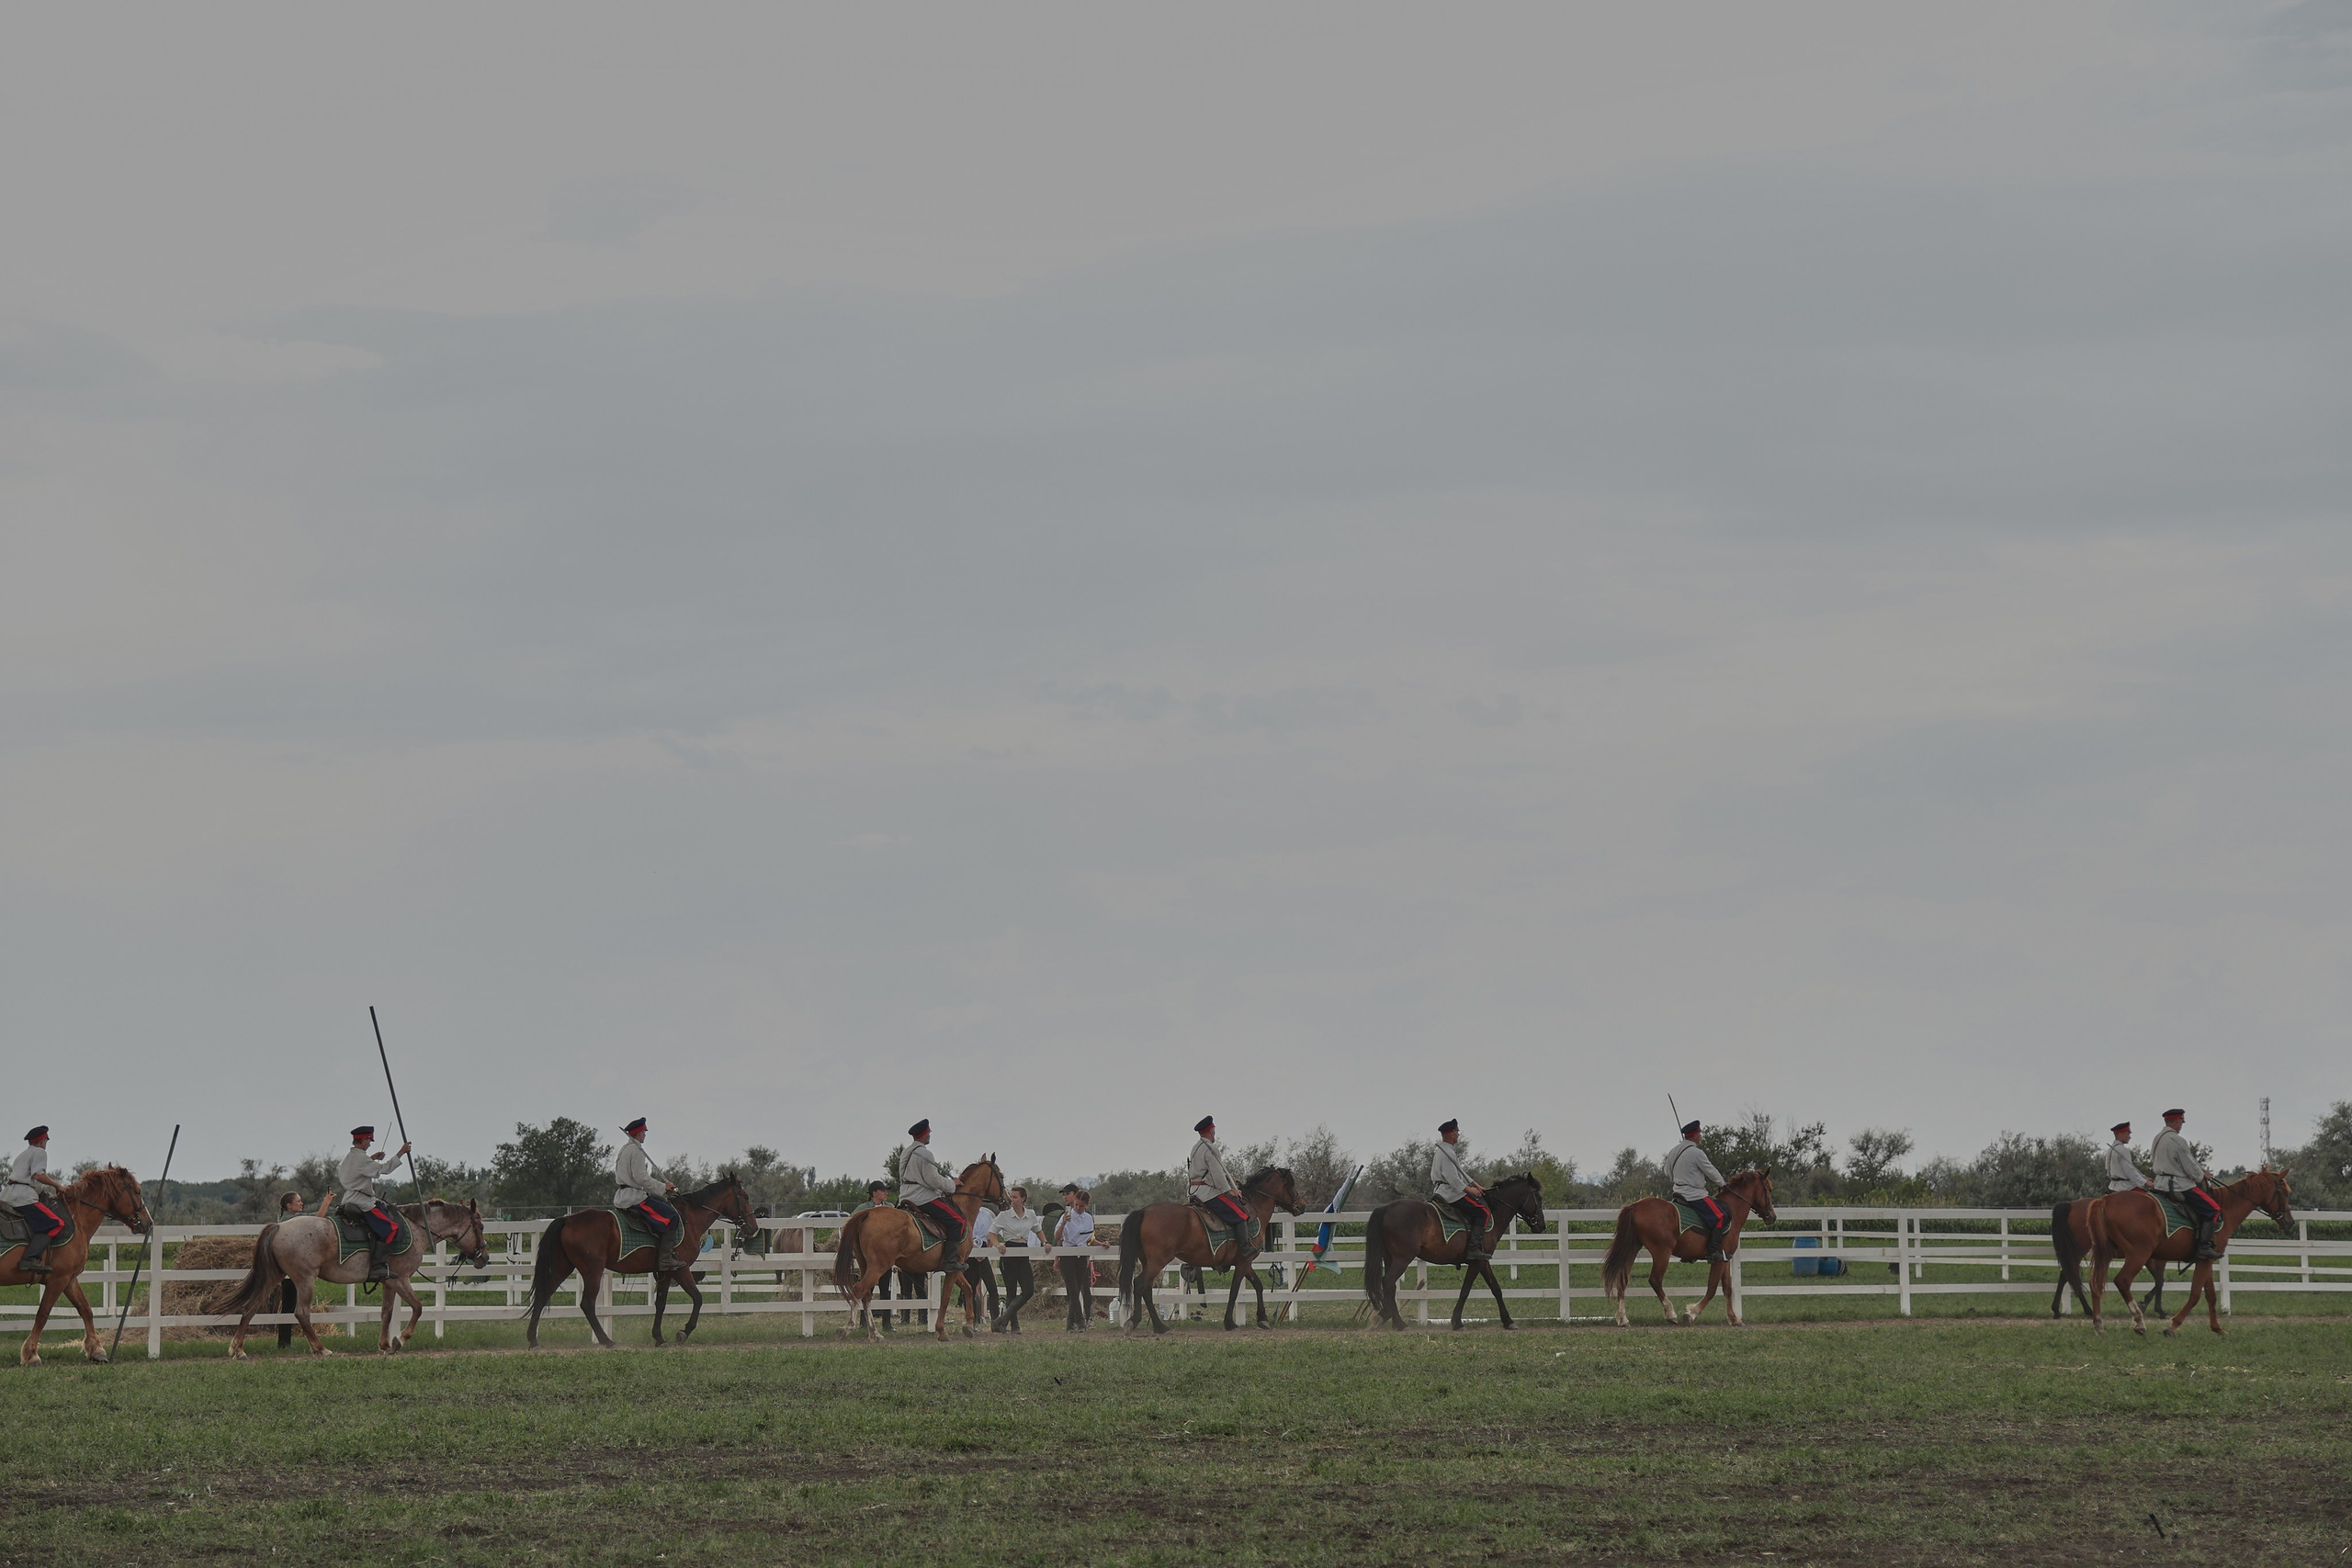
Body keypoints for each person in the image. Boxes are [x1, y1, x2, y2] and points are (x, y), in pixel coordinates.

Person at [337, 1125, 412, 1283]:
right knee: (391, 1228)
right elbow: (385, 1169)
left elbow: (356, 1171)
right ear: (363, 1139)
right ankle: (377, 1266)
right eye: (369, 1140)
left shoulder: (349, 1158)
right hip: (362, 1201)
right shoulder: (362, 1159)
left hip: (349, 1197)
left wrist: (372, 1158)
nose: (370, 1143)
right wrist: (401, 1152)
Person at [897, 1120, 967, 1275]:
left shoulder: (906, 1152)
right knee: (958, 1221)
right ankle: (950, 1262)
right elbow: (932, 1180)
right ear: (923, 1135)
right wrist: (952, 1185)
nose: (929, 1135)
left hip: (905, 1196)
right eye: (928, 1133)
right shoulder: (926, 1153)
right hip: (923, 1197)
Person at [1185, 1115, 1257, 1266]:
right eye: (1214, 1130)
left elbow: (1208, 1173)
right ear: (1211, 1131)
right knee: (1241, 1213)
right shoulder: (1211, 1149)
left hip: (1193, 1191)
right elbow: (1217, 1176)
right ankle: (1244, 1249)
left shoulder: (1196, 1147)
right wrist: (1230, 1190)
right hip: (1207, 1193)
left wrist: (1230, 1179)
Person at [615, 1117, 683, 1273]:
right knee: (671, 1215)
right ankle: (665, 1260)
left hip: (622, 1195)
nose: (645, 1135)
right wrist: (664, 1187)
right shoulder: (637, 1150)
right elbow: (641, 1178)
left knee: (660, 1202)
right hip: (634, 1197)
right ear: (639, 1133)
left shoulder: (624, 1149)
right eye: (644, 1132)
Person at [2152, 1108, 2222, 1261]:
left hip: (2160, 1183)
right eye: (2180, 1122)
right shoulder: (2178, 1140)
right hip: (2178, 1184)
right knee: (2213, 1208)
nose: (2181, 1125)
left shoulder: (2157, 1139)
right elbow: (2190, 1167)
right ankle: (2204, 1246)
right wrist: (2203, 1175)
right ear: (2176, 1121)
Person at [4, 1126, 69, 1276]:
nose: (46, 1144)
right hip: (23, 1197)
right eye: (46, 1140)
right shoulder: (40, 1152)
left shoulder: (22, 1155)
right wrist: (58, 1185)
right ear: (42, 1140)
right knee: (56, 1223)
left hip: (8, 1195)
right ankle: (29, 1258)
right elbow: (38, 1175)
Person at [1664, 1120, 1729, 1263]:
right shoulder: (1696, 1153)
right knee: (1720, 1216)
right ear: (1694, 1135)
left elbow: (1667, 1172)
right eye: (1699, 1133)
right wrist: (1722, 1184)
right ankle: (1712, 1253)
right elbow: (1710, 1171)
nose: (1701, 1136)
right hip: (1694, 1195)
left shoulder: (1674, 1151)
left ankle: (1690, 1253)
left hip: (1678, 1193)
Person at [1430, 1118, 1491, 1264]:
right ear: (1451, 1134)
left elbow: (1460, 1172)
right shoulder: (1449, 1153)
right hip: (1450, 1193)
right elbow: (1453, 1179)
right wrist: (1470, 1190)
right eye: (1457, 1131)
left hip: (1441, 1189)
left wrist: (1477, 1185)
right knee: (1484, 1212)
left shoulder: (1443, 1150)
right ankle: (1473, 1248)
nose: (1458, 1133)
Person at [990, 1186, 1046, 1333]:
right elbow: (991, 1233)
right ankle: (1014, 1326)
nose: (1012, 1200)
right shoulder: (1004, 1215)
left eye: (1015, 1197)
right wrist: (998, 1244)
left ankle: (1002, 1319)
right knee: (1011, 1292)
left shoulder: (1031, 1214)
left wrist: (1045, 1242)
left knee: (1028, 1290)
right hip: (1009, 1252)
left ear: (1023, 1199)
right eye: (1011, 1196)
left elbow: (1037, 1229)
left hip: (1023, 1252)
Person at [1056, 1187, 1099, 1330]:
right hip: (1068, 1254)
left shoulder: (1088, 1218)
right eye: (1076, 1205)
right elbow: (1057, 1237)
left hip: (1081, 1255)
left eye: (1081, 1206)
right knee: (1073, 1290)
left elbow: (1089, 1238)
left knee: (1078, 1288)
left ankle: (1070, 1323)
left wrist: (1099, 1245)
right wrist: (1063, 1223)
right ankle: (1081, 1321)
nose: (1078, 1208)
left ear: (1086, 1205)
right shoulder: (1066, 1216)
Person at [966, 1201, 1002, 1328]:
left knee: (992, 1288)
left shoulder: (986, 1215)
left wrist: (985, 1252)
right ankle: (972, 1320)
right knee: (970, 1289)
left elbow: (992, 1234)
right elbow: (966, 1235)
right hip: (969, 1253)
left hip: (983, 1251)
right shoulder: (965, 1213)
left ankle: (996, 1321)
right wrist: (975, 1251)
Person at [2104, 1122, 2149, 1192]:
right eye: (2127, 1134)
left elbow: (2108, 1170)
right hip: (2126, 1187)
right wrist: (2145, 1182)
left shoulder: (2110, 1150)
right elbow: (2130, 1171)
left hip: (2112, 1187)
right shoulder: (2123, 1150)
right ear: (2120, 1134)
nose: (2129, 1137)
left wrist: (2144, 1177)